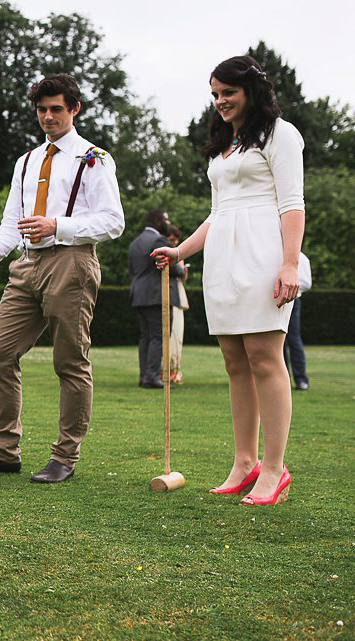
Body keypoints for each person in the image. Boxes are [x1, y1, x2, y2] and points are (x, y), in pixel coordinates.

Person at [0, 73, 124, 483]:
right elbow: (11, 224)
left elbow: (113, 221)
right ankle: (4, 451)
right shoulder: (26, 161)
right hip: (26, 265)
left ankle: (64, 456)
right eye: (42, 110)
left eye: (56, 109)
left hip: (72, 263)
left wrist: (57, 226)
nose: (48, 117)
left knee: (69, 362)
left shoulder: (94, 158)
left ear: (74, 109)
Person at [152, 55, 304, 506]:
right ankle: (244, 462)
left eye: (228, 93)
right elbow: (218, 215)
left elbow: (292, 204)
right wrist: (179, 250)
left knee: (264, 356)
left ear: (251, 91)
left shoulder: (282, 135)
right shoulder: (226, 144)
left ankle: (274, 469)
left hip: (264, 253)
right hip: (223, 258)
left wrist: (290, 263)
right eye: (215, 94)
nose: (220, 101)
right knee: (234, 361)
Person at [127, 210, 183, 389]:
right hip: (157, 296)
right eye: (166, 220)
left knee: (146, 337)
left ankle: (144, 375)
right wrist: (181, 269)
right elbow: (173, 269)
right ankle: (151, 377)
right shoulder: (159, 241)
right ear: (158, 221)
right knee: (158, 336)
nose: (168, 223)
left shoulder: (134, 243)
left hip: (138, 295)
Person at [284, 251, 312, 390]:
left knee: (294, 340)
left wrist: (289, 284)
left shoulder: (301, 258)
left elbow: (307, 283)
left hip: (293, 302)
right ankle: (284, 380)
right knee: (278, 343)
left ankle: (301, 379)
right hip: (275, 301)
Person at [166, 224, 190, 385]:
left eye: (176, 241)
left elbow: (182, 279)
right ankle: (167, 371)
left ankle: (175, 370)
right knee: (171, 336)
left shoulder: (180, 255)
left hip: (179, 296)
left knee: (178, 337)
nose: (174, 244)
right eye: (172, 240)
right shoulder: (165, 254)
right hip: (169, 297)